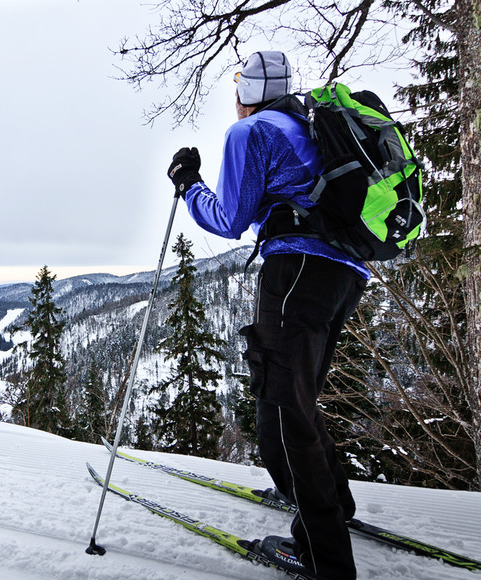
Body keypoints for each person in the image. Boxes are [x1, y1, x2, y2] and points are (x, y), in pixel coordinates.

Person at [166, 51, 368, 580]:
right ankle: (335, 507)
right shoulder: (309, 126)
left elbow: (230, 219)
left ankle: (323, 558)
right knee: (299, 401)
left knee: (279, 418)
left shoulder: (251, 132)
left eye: (238, 87)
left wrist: (189, 184)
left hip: (296, 272)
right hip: (345, 275)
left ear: (247, 94)